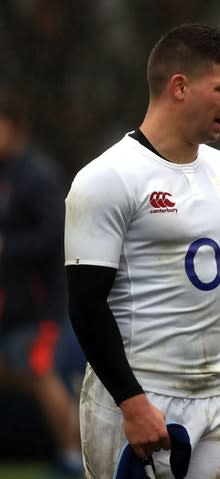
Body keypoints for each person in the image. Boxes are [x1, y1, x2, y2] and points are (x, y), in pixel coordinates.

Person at [64, 23, 220, 478]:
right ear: (180, 87)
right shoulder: (107, 178)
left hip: (215, 397)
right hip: (137, 395)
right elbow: (86, 306)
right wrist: (131, 401)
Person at [0, 94, 83, 478]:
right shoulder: (6, 174)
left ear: (15, 127)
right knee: (25, 374)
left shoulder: (39, 176)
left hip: (39, 305)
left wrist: (7, 248)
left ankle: (73, 457)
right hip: (8, 305)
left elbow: (55, 236)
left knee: (40, 374)